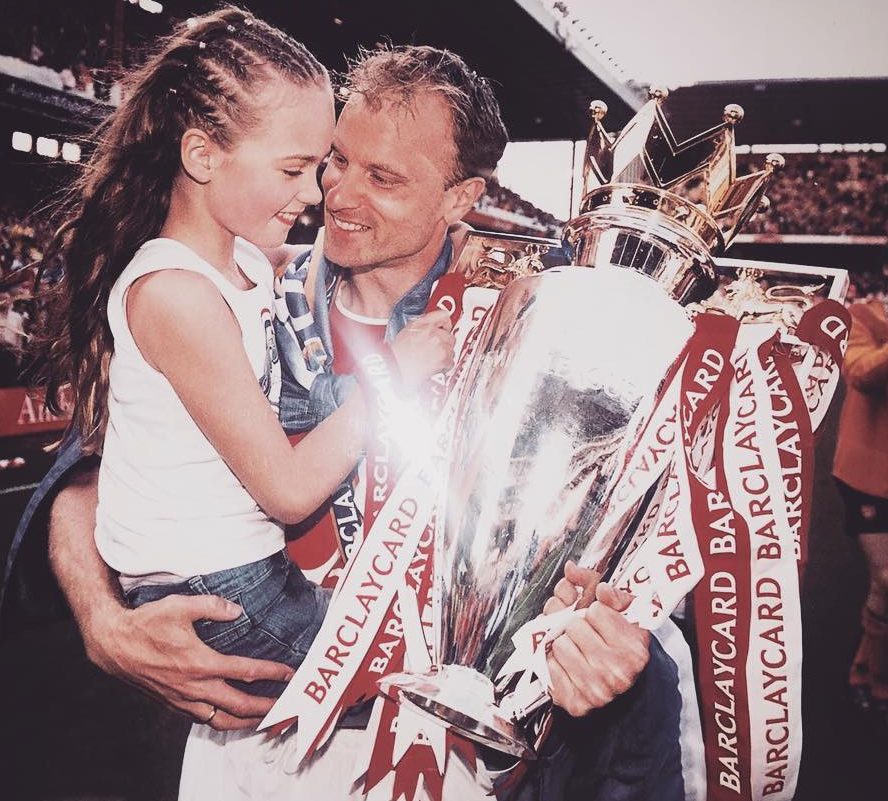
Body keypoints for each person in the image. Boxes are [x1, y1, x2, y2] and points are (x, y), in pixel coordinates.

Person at [4, 41, 683, 801]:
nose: (339, 195)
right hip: (250, 739)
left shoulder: (528, 341)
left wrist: (608, 645)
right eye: (334, 161)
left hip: (444, 752)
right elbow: (88, 463)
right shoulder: (248, 288)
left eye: (384, 177)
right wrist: (103, 619)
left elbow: (611, 558)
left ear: (460, 197)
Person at [31, 7, 453, 702]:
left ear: (462, 196)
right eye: (307, 167)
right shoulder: (177, 293)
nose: (323, 193)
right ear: (202, 156)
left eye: (378, 175)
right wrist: (394, 375)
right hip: (225, 591)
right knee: (424, 684)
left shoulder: (254, 265)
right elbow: (280, 490)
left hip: (251, 573)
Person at [833, 295, 888, 715]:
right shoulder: (864, 317)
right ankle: (868, 670)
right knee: (887, 579)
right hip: (869, 475)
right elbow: (859, 373)